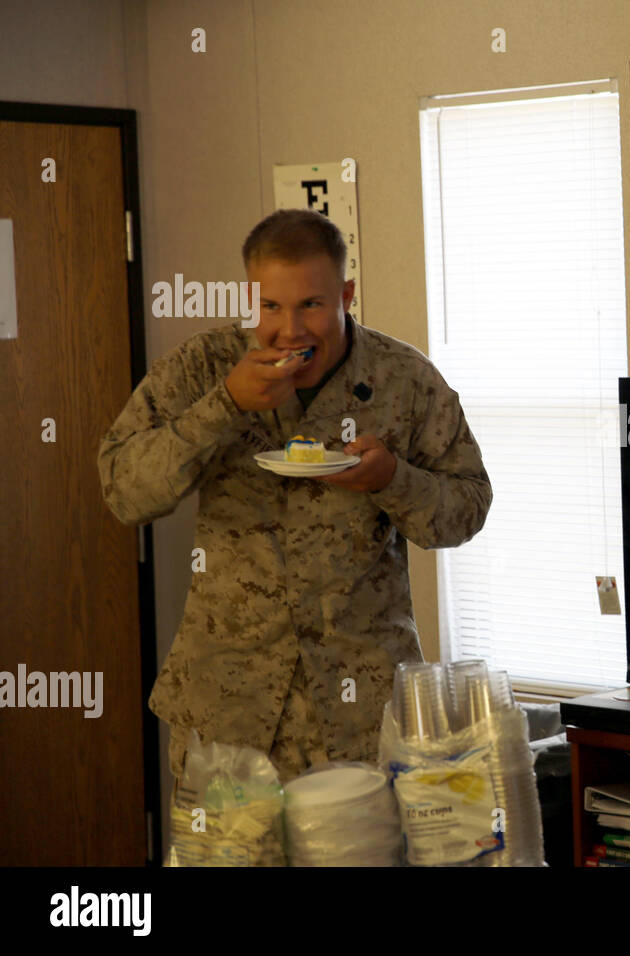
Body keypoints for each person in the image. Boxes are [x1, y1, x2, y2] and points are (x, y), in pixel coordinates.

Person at [99, 209, 492, 788]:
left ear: (346, 295)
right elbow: (124, 491)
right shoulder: (202, 369)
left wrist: (392, 480)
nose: (290, 330)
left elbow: (468, 508)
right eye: (271, 307)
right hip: (228, 715)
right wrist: (225, 405)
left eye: (311, 304)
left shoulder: (404, 379)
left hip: (362, 714)